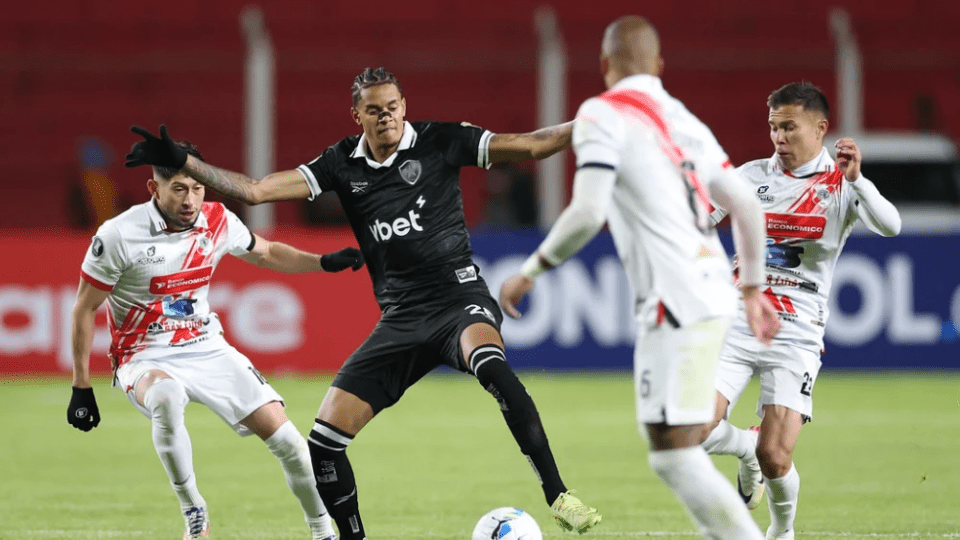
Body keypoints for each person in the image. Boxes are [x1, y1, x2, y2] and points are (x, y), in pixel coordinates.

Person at [123, 67, 603, 539]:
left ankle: (560, 497)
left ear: (404, 107)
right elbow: (255, 190)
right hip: (400, 319)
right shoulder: (340, 163)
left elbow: (534, 144)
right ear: (357, 115)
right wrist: (185, 165)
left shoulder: (442, 140)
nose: (385, 118)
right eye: (373, 111)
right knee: (323, 444)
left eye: (392, 108)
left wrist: (604, 120)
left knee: (494, 370)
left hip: (458, 298)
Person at [499, 16, 780, 539]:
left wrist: (530, 270)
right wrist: (752, 288)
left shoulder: (601, 113)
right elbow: (744, 201)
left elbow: (587, 212)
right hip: (714, 290)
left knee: (672, 456)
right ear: (659, 66)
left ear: (605, 66)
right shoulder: (685, 120)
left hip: (673, 299)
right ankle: (746, 455)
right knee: (685, 439)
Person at [68, 139, 366, 540]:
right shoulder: (119, 235)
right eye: (178, 188)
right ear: (154, 190)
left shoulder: (217, 219)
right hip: (144, 354)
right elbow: (84, 308)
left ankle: (321, 531)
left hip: (206, 347)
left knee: (292, 444)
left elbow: (267, 253)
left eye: (197, 188)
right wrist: (81, 387)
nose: (190, 199)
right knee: (167, 398)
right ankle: (193, 509)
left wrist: (322, 262)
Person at [699, 81, 902, 539]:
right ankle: (744, 447)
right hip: (738, 320)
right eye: (773, 127)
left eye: (788, 127)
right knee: (690, 429)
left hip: (797, 332)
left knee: (777, 457)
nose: (778, 137)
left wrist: (858, 181)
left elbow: (891, 226)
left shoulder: (841, 184)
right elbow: (700, 216)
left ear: (820, 128)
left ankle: (781, 530)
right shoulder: (751, 176)